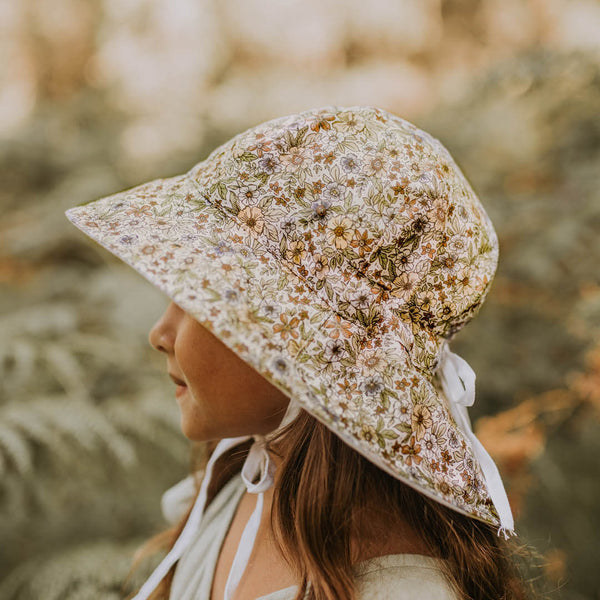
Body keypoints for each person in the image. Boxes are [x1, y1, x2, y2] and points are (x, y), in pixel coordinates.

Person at [65, 106, 536, 600]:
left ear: (310, 345)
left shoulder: (400, 590)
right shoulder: (241, 483)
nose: (160, 333)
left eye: (202, 298)